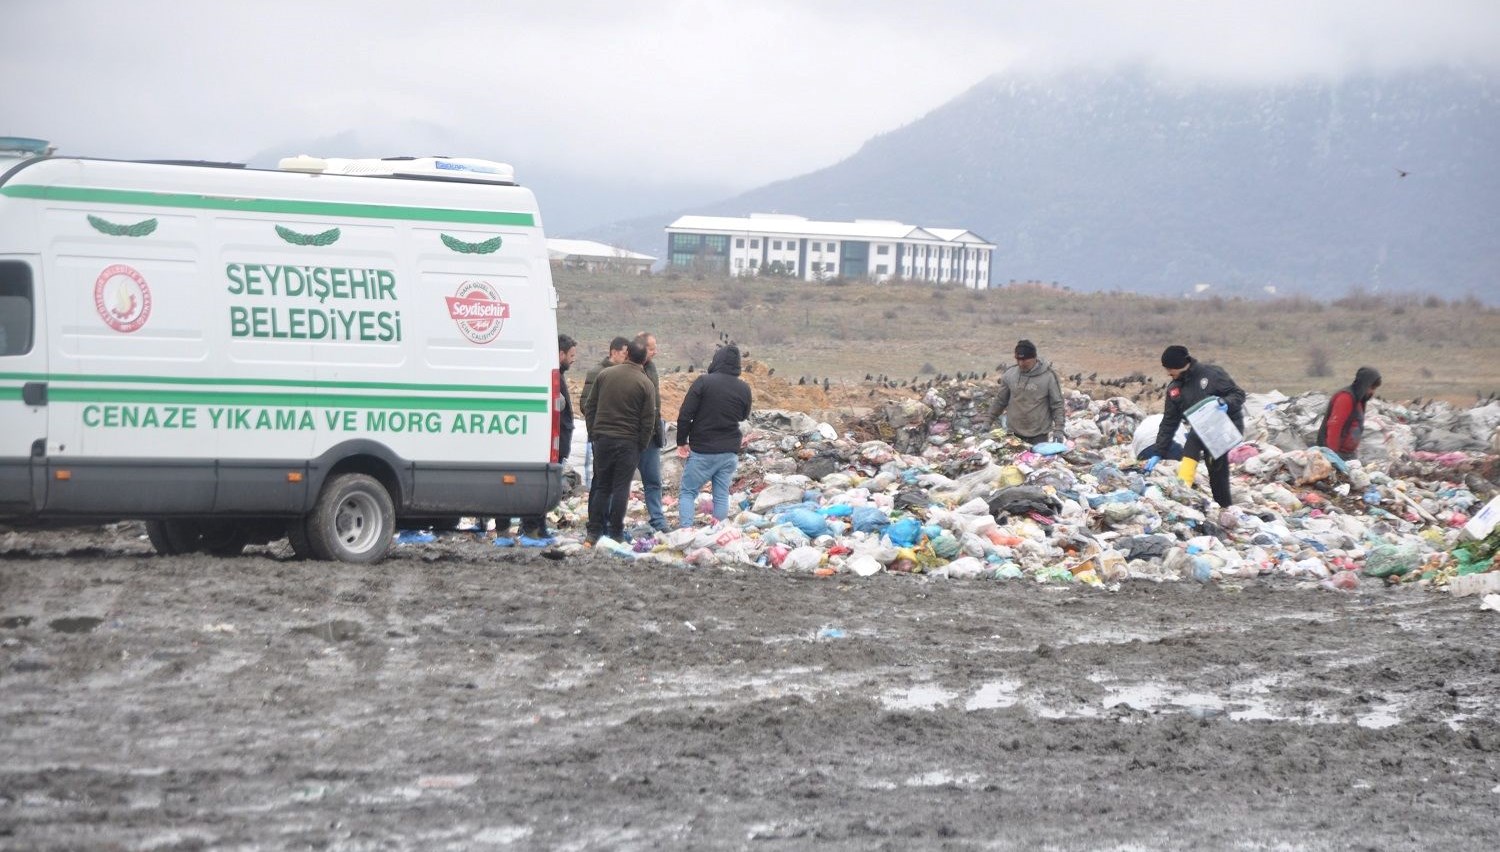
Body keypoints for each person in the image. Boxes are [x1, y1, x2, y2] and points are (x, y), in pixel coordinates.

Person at [1145, 345, 1247, 508]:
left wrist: (1225, 403)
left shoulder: (1212, 374)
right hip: (1203, 429)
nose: (1168, 373)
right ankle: (1200, 498)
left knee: (1212, 463)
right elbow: (1169, 421)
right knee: (1202, 450)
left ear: (1179, 365)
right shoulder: (1174, 389)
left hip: (1226, 426)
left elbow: (1238, 394)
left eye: (1170, 369)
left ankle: (1218, 504)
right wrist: (1158, 452)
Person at [583, 339, 657, 544]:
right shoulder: (645, 383)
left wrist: (594, 433)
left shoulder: (605, 375)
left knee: (602, 487)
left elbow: (590, 407)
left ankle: (593, 532)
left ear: (626, 354)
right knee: (621, 488)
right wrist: (641, 445)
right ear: (643, 359)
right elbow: (648, 420)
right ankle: (615, 532)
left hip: (603, 440)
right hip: (629, 443)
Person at [676, 344, 752, 528]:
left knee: (688, 491)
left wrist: (681, 442)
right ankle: (718, 531)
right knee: (721, 494)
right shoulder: (744, 388)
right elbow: (743, 415)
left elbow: (686, 414)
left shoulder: (703, 382)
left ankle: (686, 530)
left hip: (703, 450)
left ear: (716, 360)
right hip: (729, 453)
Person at [515, 334, 577, 543]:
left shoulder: (557, 375)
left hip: (556, 443)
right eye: (571, 355)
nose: (573, 359)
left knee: (546, 488)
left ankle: (539, 527)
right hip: (551, 444)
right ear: (560, 354)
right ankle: (532, 527)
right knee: (541, 488)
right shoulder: (552, 377)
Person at [990, 339, 1065, 444]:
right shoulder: (1010, 375)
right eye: (1018, 360)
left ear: (1034, 357)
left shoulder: (1048, 377)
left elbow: (1057, 405)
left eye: (1025, 360)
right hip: (1014, 433)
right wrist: (988, 421)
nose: (1021, 363)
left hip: (1039, 435)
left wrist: (1059, 429)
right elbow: (1000, 401)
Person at [580, 336, 631, 492]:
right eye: (624, 354)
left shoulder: (626, 374)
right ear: (614, 352)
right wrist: (596, 429)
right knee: (601, 480)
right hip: (602, 435)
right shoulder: (597, 372)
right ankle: (597, 515)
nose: (626, 358)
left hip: (620, 435)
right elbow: (586, 404)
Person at [633, 331, 670, 533]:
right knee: (619, 482)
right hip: (630, 436)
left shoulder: (652, 368)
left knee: (653, 480)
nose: (655, 352)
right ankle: (612, 522)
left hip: (651, 436)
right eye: (651, 348)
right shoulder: (626, 369)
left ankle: (658, 519)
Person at [1316, 366, 1382, 460]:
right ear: (1364, 385)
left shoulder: (1359, 400)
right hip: (1335, 453)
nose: (1372, 392)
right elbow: (1335, 426)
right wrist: (1333, 456)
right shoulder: (1345, 398)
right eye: (1371, 388)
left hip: (1348, 454)